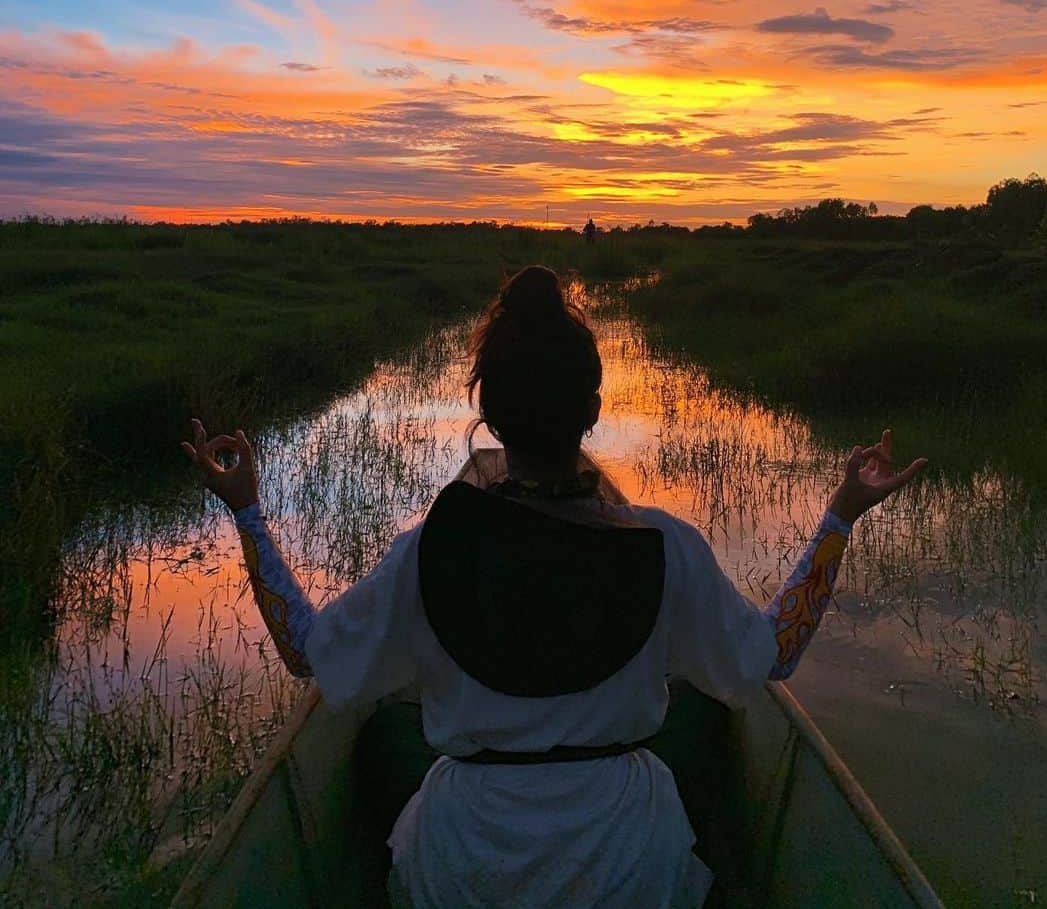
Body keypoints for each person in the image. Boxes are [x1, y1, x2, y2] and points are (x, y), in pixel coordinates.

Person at [183, 265, 927, 908]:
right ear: (593, 411)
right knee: (698, 725)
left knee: (383, 739)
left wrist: (247, 507)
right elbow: (775, 656)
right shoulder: (665, 546)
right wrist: (841, 515)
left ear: (491, 416)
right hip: (630, 866)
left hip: (462, 867)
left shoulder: (429, 552)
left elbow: (307, 650)